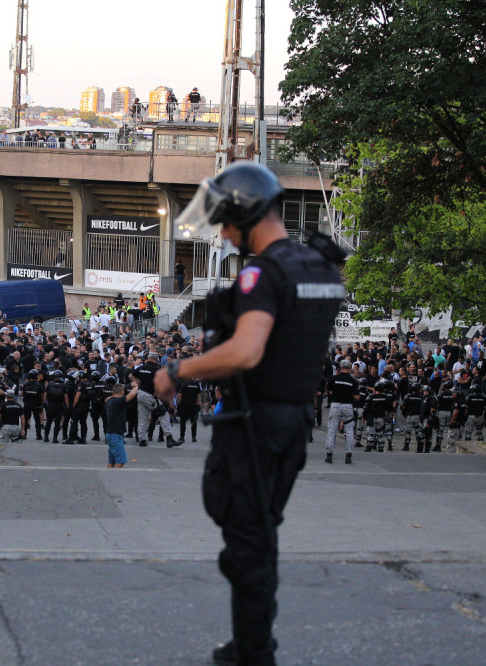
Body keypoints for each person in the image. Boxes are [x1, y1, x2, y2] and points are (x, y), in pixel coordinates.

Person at [153, 161, 344, 665]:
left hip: (255, 426)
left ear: (244, 213)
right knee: (260, 535)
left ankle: (255, 655)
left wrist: (179, 369)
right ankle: (250, 642)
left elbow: (246, 352)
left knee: (247, 547)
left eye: (226, 221)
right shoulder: (318, 266)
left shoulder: (263, 271)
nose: (224, 232)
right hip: (294, 424)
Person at [104, 377, 140, 468]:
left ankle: (109, 475)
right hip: (116, 434)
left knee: (112, 460)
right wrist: (137, 386)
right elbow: (131, 395)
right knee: (120, 461)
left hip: (110, 433)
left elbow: (111, 396)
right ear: (123, 393)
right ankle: (114, 478)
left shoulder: (109, 400)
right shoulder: (118, 401)